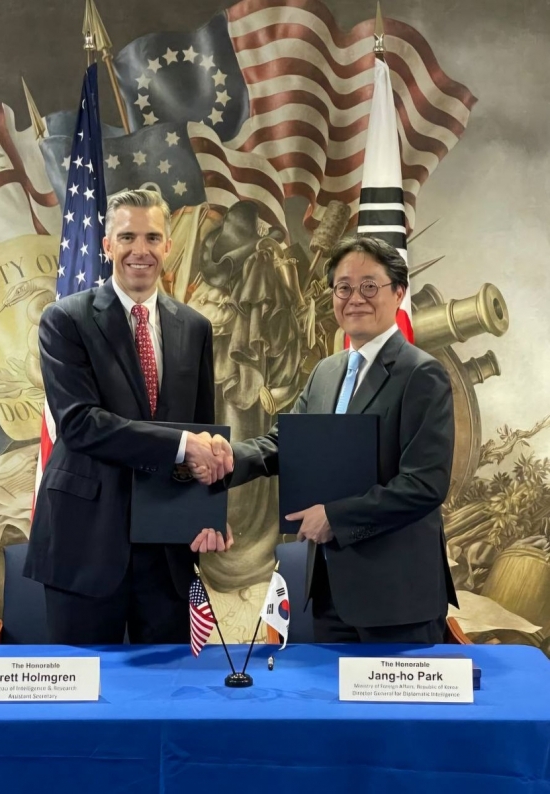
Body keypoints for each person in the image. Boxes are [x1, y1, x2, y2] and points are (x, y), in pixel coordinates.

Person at [191, 234, 458, 644]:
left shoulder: (421, 374)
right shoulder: (326, 372)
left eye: (370, 286)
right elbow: (286, 443)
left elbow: (425, 485)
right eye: (343, 287)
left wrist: (335, 517)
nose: (355, 298)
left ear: (399, 292)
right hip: (325, 589)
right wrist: (228, 457)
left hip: (395, 596)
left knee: (394, 712)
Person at [24, 189, 233, 645]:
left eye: (152, 237)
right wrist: (182, 446)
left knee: (167, 697)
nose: (141, 250)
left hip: (167, 548)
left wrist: (209, 505)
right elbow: (79, 423)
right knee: (80, 699)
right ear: (107, 246)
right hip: (84, 544)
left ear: (168, 247)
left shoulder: (195, 327)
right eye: (128, 237)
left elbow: (202, 432)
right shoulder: (65, 320)